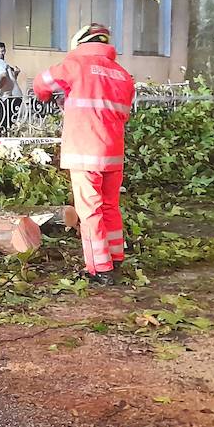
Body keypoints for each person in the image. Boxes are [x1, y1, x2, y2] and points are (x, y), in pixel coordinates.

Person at [32, 23, 135, 285]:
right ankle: (116, 258)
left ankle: (100, 270)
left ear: (80, 44)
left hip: (84, 151)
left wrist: (51, 97)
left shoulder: (75, 65)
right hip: (113, 152)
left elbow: (41, 83)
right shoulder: (122, 75)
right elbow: (112, 112)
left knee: (90, 212)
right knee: (110, 206)